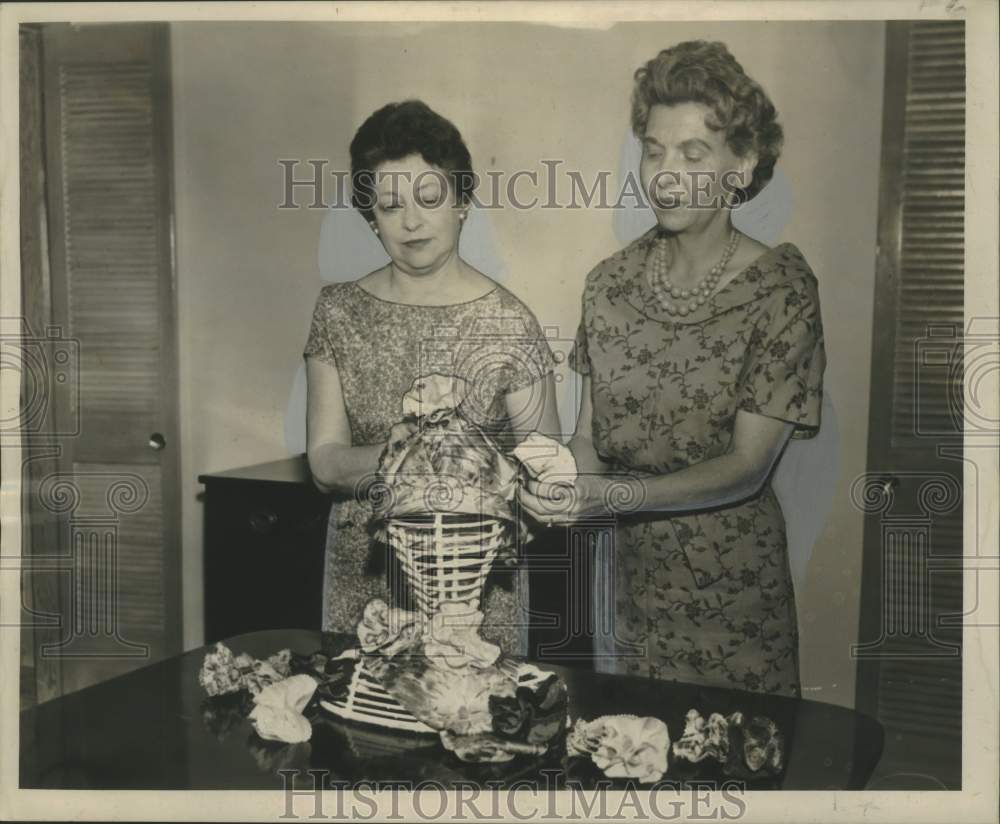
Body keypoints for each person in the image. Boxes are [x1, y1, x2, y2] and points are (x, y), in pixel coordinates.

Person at [520, 41, 826, 697]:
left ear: (740, 164)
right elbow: (588, 449)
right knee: (627, 766)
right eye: (654, 151)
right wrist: (544, 485)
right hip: (626, 597)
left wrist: (612, 497)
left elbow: (745, 469)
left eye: (694, 153)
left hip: (736, 604)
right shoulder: (608, 286)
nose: (666, 173)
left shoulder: (781, 289)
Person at [304, 100, 560, 656]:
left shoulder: (510, 320)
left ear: (462, 201)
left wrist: (441, 463)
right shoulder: (337, 312)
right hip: (363, 579)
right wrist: (426, 454)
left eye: (429, 198)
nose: (411, 222)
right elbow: (325, 463)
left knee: (471, 731)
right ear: (371, 217)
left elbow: (546, 464)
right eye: (390, 205)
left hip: (477, 590)